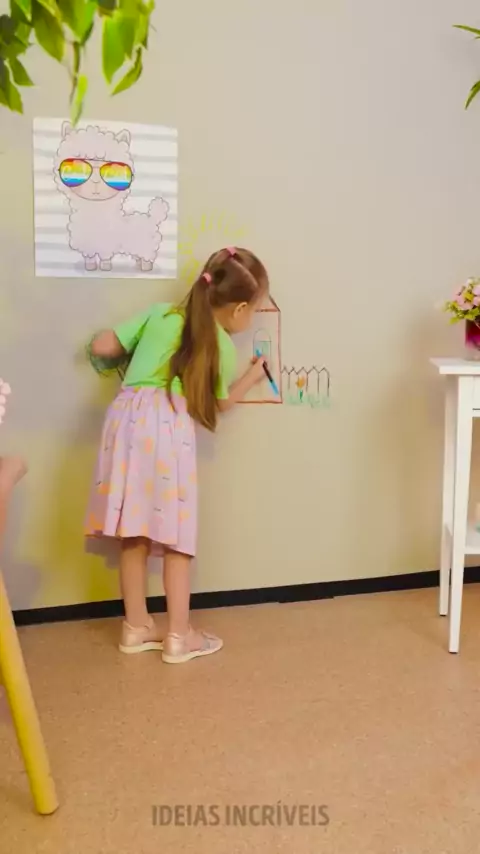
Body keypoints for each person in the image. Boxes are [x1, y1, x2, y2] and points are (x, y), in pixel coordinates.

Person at [85, 247, 269, 664]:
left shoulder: (160, 315)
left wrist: (117, 350)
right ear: (239, 308)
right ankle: (179, 636)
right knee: (176, 537)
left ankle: (136, 627)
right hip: (167, 431)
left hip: (124, 423)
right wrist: (251, 377)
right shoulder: (220, 345)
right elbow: (220, 405)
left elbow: (104, 344)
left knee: (134, 531)